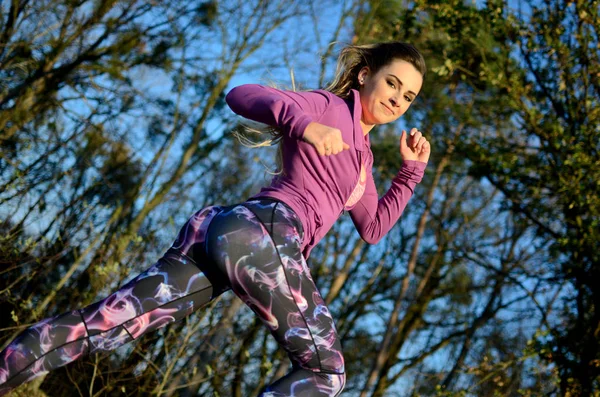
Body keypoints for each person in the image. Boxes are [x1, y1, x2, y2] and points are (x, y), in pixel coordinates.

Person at [0, 41, 429, 396]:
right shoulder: (328, 107)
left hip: (228, 234)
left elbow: (373, 229)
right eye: (392, 83)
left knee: (113, 323)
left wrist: (410, 171)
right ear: (363, 76)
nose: (396, 98)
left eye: (407, 96)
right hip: (264, 232)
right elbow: (241, 94)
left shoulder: (362, 164)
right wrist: (304, 126)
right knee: (327, 374)